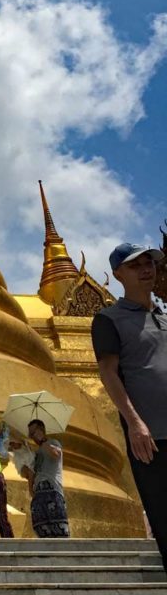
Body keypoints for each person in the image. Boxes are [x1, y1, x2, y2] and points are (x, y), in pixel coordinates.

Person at [92, 241, 167, 573]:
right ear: (118, 274)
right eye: (136, 265)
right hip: (152, 437)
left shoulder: (164, 317)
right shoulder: (109, 319)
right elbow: (108, 373)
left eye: (149, 262)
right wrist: (135, 422)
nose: (146, 268)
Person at [27, 419, 70, 537]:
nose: (32, 437)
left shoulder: (53, 443)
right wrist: (31, 490)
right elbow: (31, 472)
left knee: (60, 531)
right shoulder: (36, 453)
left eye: (33, 433)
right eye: (30, 434)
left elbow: (56, 455)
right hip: (39, 493)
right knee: (42, 530)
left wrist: (43, 441)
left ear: (41, 430)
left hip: (53, 490)